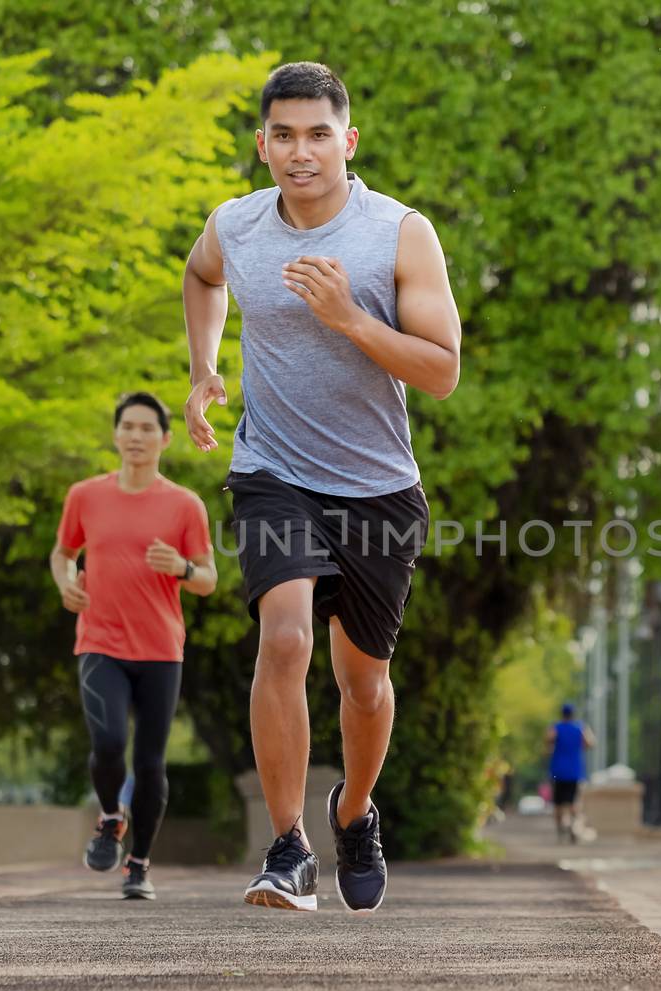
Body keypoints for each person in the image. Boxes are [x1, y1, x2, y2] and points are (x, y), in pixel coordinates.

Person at [181, 61, 461, 912]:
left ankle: (352, 811)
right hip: (273, 470)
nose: (301, 152)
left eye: (317, 134)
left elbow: (443, 371)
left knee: (364, 682)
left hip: (377, 485)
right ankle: (288, 847)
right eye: (284, 135)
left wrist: (349, 318)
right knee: (286, 638)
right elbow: (201, 277)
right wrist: (201, 369)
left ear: (348, 141)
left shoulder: (399, 234)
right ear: (262, 144)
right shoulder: (236, 225)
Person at [50, 391, 218, 900]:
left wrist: (183, 569)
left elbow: (208, 578)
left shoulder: (185, 504)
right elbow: (63, 552)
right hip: (100, 641)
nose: (137, 437)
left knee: (149, 765)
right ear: (116, 434)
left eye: (148, 429)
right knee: (106, 744)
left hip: (161, 651)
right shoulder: (85, 495)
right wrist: (65, 582)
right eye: (128, 427)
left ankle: (139, 864)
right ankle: (109, 818)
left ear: (166, 439)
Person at [546, 703, 595, 844]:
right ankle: (573, 825)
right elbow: (590, 743)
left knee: (557, 803)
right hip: (574, 771)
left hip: (557, 771)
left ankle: (560, 829)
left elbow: (548, 741)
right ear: (573, 714)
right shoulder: (580, 728)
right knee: (573, 801)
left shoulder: (556, 727)